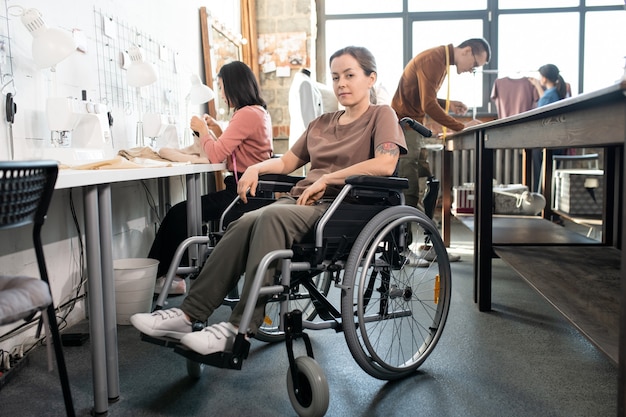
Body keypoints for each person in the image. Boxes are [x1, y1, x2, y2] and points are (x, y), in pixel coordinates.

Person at [130, 45, 407, 355]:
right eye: (335, 77)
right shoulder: (321, 123)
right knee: (245, 220)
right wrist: (255, 169)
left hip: (344, 207)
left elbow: (385, 164)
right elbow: (287, 162)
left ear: (371, 79)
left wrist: (329, 178)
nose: (341, 83)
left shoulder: (382, 115)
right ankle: (187, 314)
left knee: (270, 217)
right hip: (303, 202)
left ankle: (239, 329)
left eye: (350, 75)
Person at [147, 61, 273, 295]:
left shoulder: (246, 114)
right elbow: (239, 150)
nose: (222, 93)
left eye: (222, 87)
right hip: (254, 191)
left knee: (179, 213)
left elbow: (217, 154)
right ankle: (174, 275)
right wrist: (218, 130)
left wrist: (204, 132)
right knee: (185, 213)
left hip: (242, 195)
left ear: (233, 87)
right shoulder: (257, 112)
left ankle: (165, 277)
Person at [391, 38, 491, 264]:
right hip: (405, 126)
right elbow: (428, 105)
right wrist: (461, 125)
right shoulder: (434, 59)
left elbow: (423, 96)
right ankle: (401, 250)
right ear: (466, 51)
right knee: (410, 188)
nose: (471, 71)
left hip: (413, 127)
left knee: (425, 185)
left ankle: (425, 245)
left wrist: (448, 101)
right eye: (475, 65)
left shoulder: (441, 61)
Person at [529, 64, 569, 193]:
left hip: (546, 143)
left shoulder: (549, 95)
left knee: (540, 177)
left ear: (544, 78)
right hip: (558, 143)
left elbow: (541, 114)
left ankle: (539, 207)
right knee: (551, 178)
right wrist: (537, 86)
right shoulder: (557, 92)